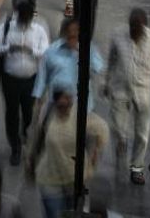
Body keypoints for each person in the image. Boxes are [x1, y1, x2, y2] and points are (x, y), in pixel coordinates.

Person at [106, 9, 150, 185]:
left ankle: (137, 168)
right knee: (118, 128)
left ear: (144, 26)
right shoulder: (118, 35)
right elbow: (111, 60)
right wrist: (106, 82)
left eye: (138, 27)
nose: (134, 30)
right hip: (120, 88)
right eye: (132, 26)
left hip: (143, 89)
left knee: (142, 133)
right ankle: (121, 143)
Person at [28, 90, 109, 218]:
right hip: (50, 179)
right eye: (61, 99)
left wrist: (95, 152)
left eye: (68, 98)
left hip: (73, 180)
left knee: (70, 215)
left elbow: (102, 128)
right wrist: (31, 162)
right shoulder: (46, 111)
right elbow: (36, 138)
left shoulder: (79, 113)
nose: (65, 102)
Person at [0, 1, 49, 165]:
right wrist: (8, 48)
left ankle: (25, 131)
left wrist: (32, 51)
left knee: (29, 111)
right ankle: (15, 146)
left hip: (31, 79)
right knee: (12, 113)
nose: (25, 20)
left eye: (27, 18)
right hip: (11, 79)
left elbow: (46, 51)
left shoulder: (38, 31)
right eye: (22, 17)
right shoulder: (7, 27)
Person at [33, 18, 105, 111]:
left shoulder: (88, 48)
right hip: (57, 105)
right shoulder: (52, 50)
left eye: (76, 32)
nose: (73, 34)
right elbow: (42, 77)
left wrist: (80, 50)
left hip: (81, 107)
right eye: (70, 32)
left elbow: (98, 67)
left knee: (101, 126)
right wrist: (37, 97)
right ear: (64, 33)